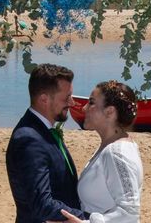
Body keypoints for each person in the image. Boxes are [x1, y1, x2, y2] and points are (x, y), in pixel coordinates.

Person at [50, 80, 143, 223]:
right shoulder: (110, 146)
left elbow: (129, 213)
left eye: (91, 103)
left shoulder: (116, 152)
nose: (84, 108)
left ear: (110, 112)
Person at [6, 64, 88, 223]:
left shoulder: (43, 131)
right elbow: (41, 204)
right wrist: (87, 220)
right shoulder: (29, 139)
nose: (71, 103)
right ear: (44, 99)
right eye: (66, 97)